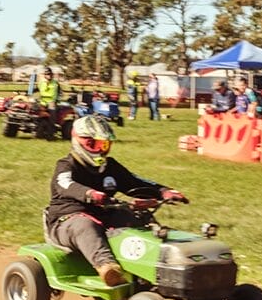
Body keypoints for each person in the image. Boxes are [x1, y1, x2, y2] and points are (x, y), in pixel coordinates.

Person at [46, 115, 186, 286]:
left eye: (104, 145)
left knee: (135, 218)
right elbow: (65, 184)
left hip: (105, 214)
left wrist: (163, 191)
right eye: (94, 145)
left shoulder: (110, 166)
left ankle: (158, 263)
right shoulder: (67, 165)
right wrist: (89, 193)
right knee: (85, 225)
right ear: (79, 140)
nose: (100, 150)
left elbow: (135, 182)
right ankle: (107, 267)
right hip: (66, 221)